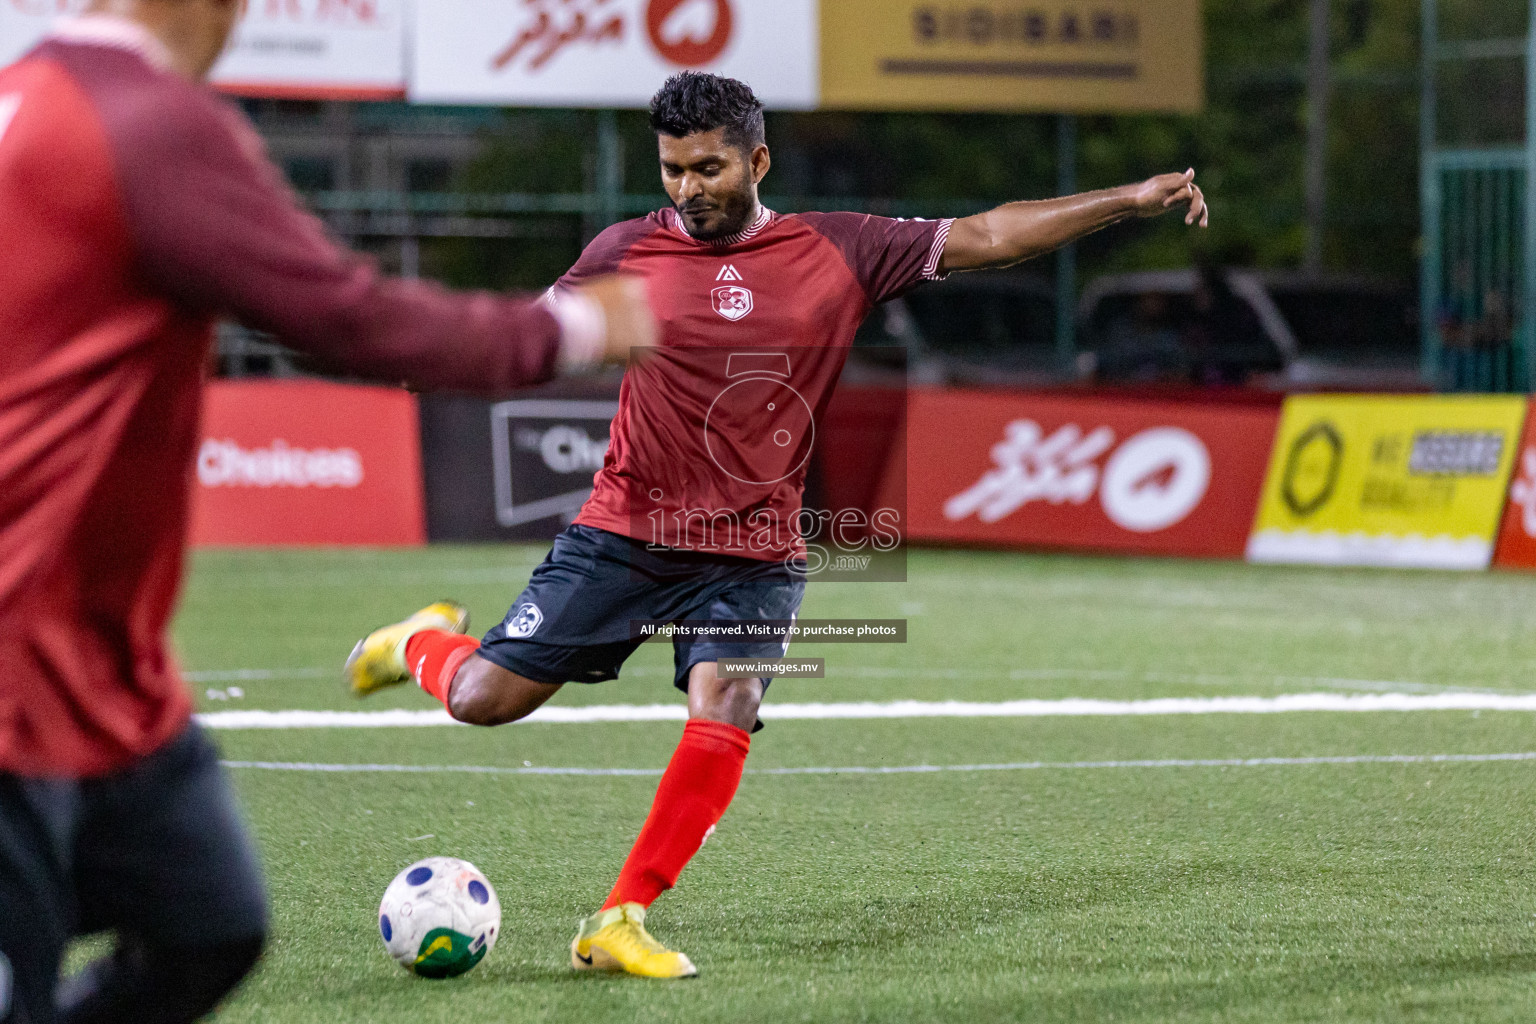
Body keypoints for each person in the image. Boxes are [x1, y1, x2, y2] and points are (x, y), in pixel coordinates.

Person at [347, 71, 1209, 980]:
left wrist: (1128, 199)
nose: (689, 189)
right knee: (485, 700)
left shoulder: (841, 249)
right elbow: (524, 338)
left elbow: (990, 236)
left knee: (730, 699)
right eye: (674, 170)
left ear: (757, 159)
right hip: (627, 532)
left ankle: (621, 914)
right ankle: (421, 644)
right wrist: (430, 357)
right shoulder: (625, 251)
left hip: (756, 549)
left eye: (710, 168)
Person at [0, 2, 655, 1021]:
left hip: (95, 663)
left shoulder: (30, 92)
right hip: (16, 661)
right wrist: (571, 327)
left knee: (210, 921)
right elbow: (342, 315)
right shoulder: (146, 118)